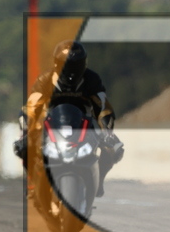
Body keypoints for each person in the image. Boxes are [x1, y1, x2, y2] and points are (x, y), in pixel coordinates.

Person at [14, 40, 124, 198]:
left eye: (77, 65)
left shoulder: (91, 79)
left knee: (112, 148)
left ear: (84, 64)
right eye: (68, 66)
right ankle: (32, 180)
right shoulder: (45, 79)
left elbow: (103, 106)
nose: (72, 72)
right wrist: (27, 129)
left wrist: (107, 131)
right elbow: (31, 106)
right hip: (51, 122)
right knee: (24, 146)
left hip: (84, 122)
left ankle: (99, 179)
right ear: (57, 64)